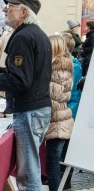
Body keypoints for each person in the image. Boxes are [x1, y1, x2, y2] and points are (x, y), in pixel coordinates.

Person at [0, 0, 52, 190]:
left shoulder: (23, 37)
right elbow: (29, 74)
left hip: (29, 110)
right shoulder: (36, 33)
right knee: (30, 168)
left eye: (11, 6)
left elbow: (20, 81)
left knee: (28, 173)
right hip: (38, 107)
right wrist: (0, 70)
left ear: (23, 12)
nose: (5, 9)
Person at [44, 34, 74, 191]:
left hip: (57, 122)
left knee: (52, 166)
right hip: (62, 119)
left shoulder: (56, 69)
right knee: (56, 164)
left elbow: (53, 99)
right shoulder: (65, 66)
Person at [59, 32, 82, 190]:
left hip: (69, 109)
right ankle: (60, 178)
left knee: (65, 147)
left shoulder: (73, 66)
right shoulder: (67, 64)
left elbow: (69, 91)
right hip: (66, 109)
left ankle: (65, 180)